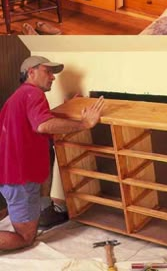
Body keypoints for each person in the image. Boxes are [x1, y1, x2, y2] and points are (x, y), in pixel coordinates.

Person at [0, 56, 104, 251]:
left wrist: (67, 109)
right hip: (19, 178)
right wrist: (84, 124)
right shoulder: (33, 94)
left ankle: (45, 215)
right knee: (25, 237)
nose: (53, 78)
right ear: (31, 72)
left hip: (13, 173)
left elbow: (36, 121)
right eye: (47, 72)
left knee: (30, 215)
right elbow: (42, 124)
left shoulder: (21, 96)